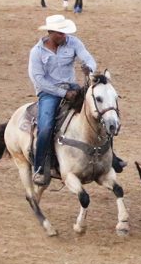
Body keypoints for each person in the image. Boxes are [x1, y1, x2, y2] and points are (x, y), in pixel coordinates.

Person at [28, 15, 96, 185]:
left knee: (97, 114)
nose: (64, 36)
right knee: (46, 127)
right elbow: (39, 81)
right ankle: (39, 168)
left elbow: (87, 58)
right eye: (60, 33)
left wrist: (90, 68)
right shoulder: (37, 52)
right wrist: (62, 94)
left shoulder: (73, 43)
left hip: (72, 87)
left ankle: (111, 158)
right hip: (49, 93)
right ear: (50, 32)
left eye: (65, 33)